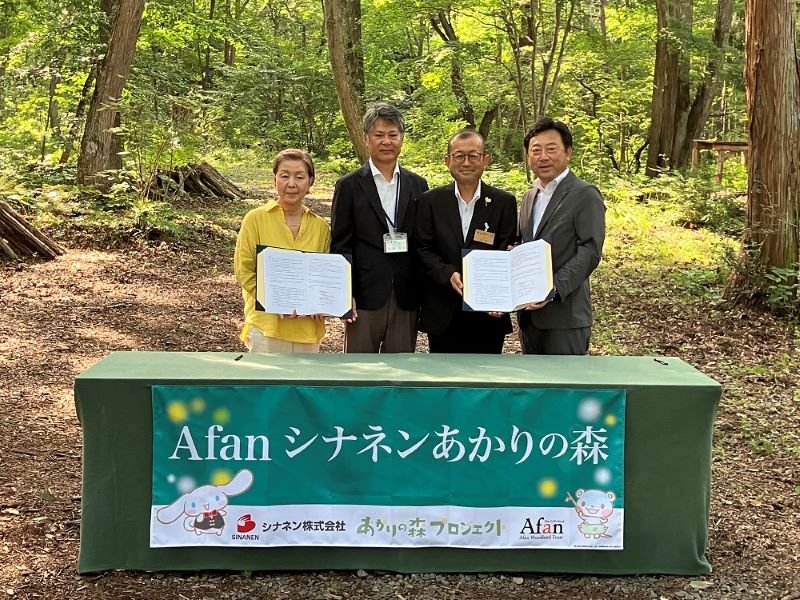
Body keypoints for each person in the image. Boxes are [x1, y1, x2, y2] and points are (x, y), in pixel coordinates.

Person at [330, 103, 429, 353]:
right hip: (364, 295)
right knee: (359, 369)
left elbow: (423, 242)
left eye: (393, 134)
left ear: (401, 139)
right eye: (379, 135)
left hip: (406, 295)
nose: (387, 141)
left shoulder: (417, 185)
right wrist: (345, 293)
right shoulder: (349, 185)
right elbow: (341, 244)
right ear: (366, 139)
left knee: (400, 370)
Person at [416, 129, 518, 353]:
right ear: (447, 161)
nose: (466, 162)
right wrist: (447, 273)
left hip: (488, 313)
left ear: (485, 160)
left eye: (473, 155)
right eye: (459, 155)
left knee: (487, 374)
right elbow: (422, 248)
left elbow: (507, 251)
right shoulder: (430, 201)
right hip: (443, 310)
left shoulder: (504, 203)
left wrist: (499, 296)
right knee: (444, 374)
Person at [516, 116, 606, 355]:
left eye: (551, 149)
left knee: (565, 379)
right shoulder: (530, 197)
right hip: (529, 317)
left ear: (568, 152)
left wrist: (553, 288)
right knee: (532, 379)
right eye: (536, 150)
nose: (543, 156)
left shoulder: (584, 194)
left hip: (565, 317)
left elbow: (590, 251)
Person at [233, 149, 331, 352]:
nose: (291, 184)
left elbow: (324, 275)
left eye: (299, 177)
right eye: (284, 176)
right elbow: (244, 270)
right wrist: (275, 301)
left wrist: (321, 301)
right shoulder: (255, 219)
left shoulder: (320, 226)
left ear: (310, 182)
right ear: (274, 180)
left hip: (308, 328)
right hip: (266, 325)